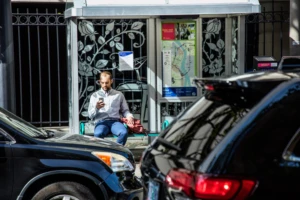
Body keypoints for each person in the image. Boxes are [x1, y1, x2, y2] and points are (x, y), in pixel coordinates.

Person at [88, 71, 134, 145]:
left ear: (111, 81)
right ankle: (102, 154)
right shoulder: (94, 95)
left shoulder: (118, 95)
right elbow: (90, 115)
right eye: (102, 83)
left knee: (123, 132)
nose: (104, 85)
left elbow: (125, 110)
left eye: (107, 83)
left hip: (115, 121)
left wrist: (129, 116)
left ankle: (117, 151)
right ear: (99, 82)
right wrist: (96, 108)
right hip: (101, 122)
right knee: (98, 134)